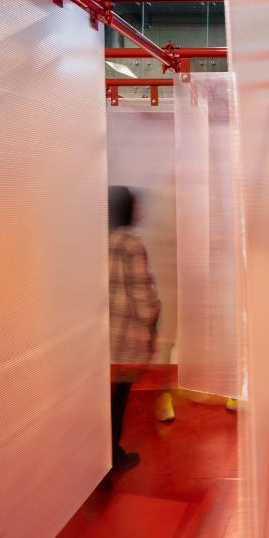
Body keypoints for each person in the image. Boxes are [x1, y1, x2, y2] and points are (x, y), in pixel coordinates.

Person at [108, 186, 161, 475]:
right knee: (117, 399)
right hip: (123, 338)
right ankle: (111, 457)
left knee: (99, 400)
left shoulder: (93, 240)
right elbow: (142, 295)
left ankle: (97, 457)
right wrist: (152, 322)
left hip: (94, 337)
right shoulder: (130, 244)